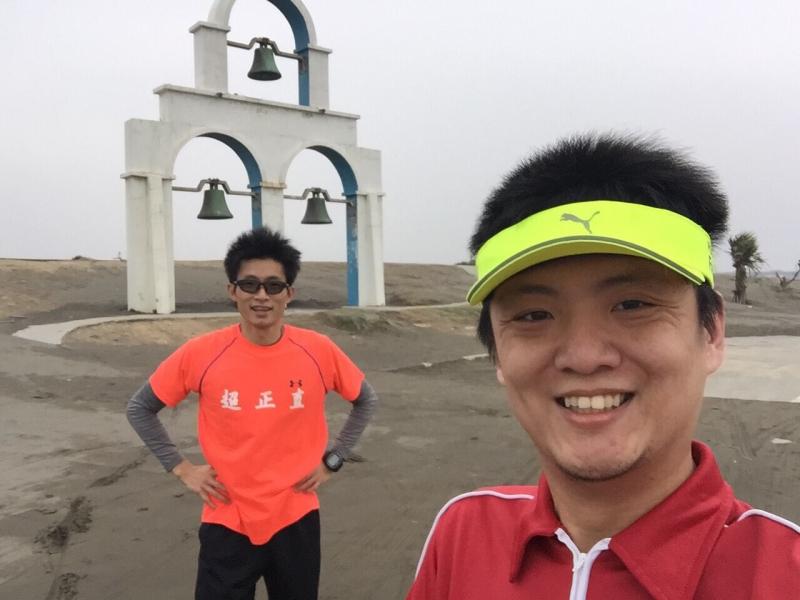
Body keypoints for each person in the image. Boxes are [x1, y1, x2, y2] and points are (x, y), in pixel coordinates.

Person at [406, 133, 800, 599]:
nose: (584, 357)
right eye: (534, 315)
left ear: (711, 332)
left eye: (633, 304)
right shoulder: (464, 534)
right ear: (497, 353)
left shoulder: (781, 574)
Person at [127, 227, 377, 600]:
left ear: (289, 294)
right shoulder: (201, 353)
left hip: (295, 518)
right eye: (250, 285)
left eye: (274, 286)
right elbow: (140, 408)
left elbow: (366, 400)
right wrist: (182, 469)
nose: (262, 296)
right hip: (226, 518)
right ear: (233, 291)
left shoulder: (318, 350)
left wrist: (334, 459)